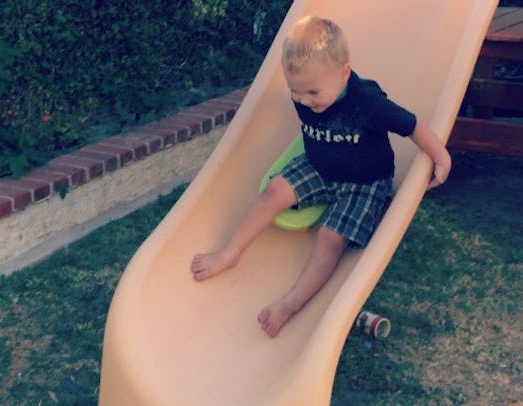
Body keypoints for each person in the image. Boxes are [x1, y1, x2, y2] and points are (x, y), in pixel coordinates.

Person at [191, 15, 451, 337]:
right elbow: (303, 95)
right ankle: (230, 252)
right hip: (320, 166)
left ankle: (290, 304)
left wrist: (441, 156)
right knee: (274, 190)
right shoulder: (305, 89)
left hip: (365, 182)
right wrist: (303, 94)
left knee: (330, 238)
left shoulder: (368, 102)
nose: (304, 101)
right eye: (296, 92)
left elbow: (412, 126)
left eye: (313, 92)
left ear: (343, 73)